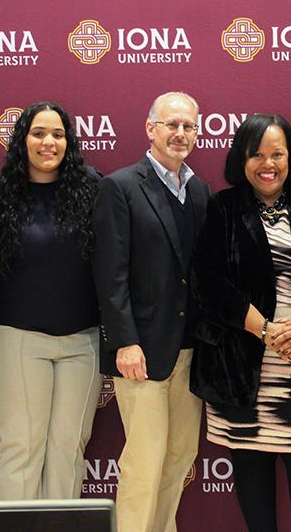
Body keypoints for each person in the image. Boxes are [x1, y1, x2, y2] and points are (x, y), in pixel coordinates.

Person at [190, 114, 291, 532]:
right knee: (253, 488)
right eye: (257, 154)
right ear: (242, 159)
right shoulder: (223, 208)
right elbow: (209, 283)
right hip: (244, 369)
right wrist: (265, 331)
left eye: (277, 154)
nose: (268, 164)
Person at [92, 92, 210, 532]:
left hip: (189, 351)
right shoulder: (120, 187)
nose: (180, 134)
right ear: (151, 129)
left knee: (180, 456)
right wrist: (124, 340)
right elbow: (110, 274)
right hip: (140, 350)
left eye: (189, 127)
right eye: (171, 125)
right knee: (144, 459)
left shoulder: (198, 191)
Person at [0, 101, 100, 500]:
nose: (49, 142)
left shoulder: (92, 191)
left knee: (68, 451)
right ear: (22, 141)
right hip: (15, 341)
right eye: (38, 133)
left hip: (82, 342)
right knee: (21, 450)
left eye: (58, 134)